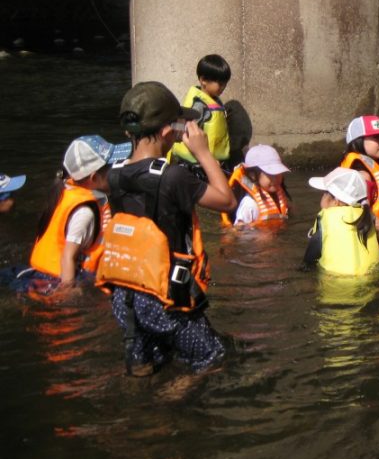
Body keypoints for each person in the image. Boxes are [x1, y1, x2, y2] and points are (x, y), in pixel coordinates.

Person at [95, 80, 236, 376]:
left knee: (145, 366)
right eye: (178, 124)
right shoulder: (173, 177)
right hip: (165, 297)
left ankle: (141, 417)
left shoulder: (114, 176)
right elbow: (226, 200)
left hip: (126, 296)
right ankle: (167, 402)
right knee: (212, 360)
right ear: (165, 131)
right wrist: (203, 152)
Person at [11, 136, 129, 294]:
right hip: (53, 282)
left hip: (40, 273)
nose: (116, 170)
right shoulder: (85, 212)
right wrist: (68, 290)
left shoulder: (65, 189)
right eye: (112, 167)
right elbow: (68, 255)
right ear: (94, 177)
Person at [303, 167, 379, 276]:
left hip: (337, 283)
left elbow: (311, 257)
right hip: (370, 280)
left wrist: (303, 268)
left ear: (336, 202)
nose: (322, 196)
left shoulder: (326, 218)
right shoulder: (367, 217)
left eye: (325, 193)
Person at [170, 54, 232, 174]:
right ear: (203, 80)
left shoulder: (213, 101)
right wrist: (204, 159)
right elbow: (185, 133)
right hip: (197, 165)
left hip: (210, 162)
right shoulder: (199, 105)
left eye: (225, 83)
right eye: (220, 83)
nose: (223, 87)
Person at [221, 144, 290, 227]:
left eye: (278, 173)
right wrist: (257, 234)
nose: (276, 179)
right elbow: (238, 230)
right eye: (270, 174)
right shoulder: (250, 204)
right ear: (252, 175)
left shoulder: (277, 193)